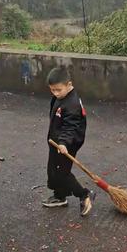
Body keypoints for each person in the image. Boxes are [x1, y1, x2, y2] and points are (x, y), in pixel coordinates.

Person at [43, 66, 95, 216]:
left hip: (67, 143)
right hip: (56, 141)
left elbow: (71, 127)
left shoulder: (72, 104)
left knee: (62, 172)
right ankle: (60, 196)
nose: (55, 93)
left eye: (58, 90)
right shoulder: (61, 97)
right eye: (52, 90)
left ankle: (84, 194)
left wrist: (64, 143)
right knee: (54, 169)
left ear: (69, 84)